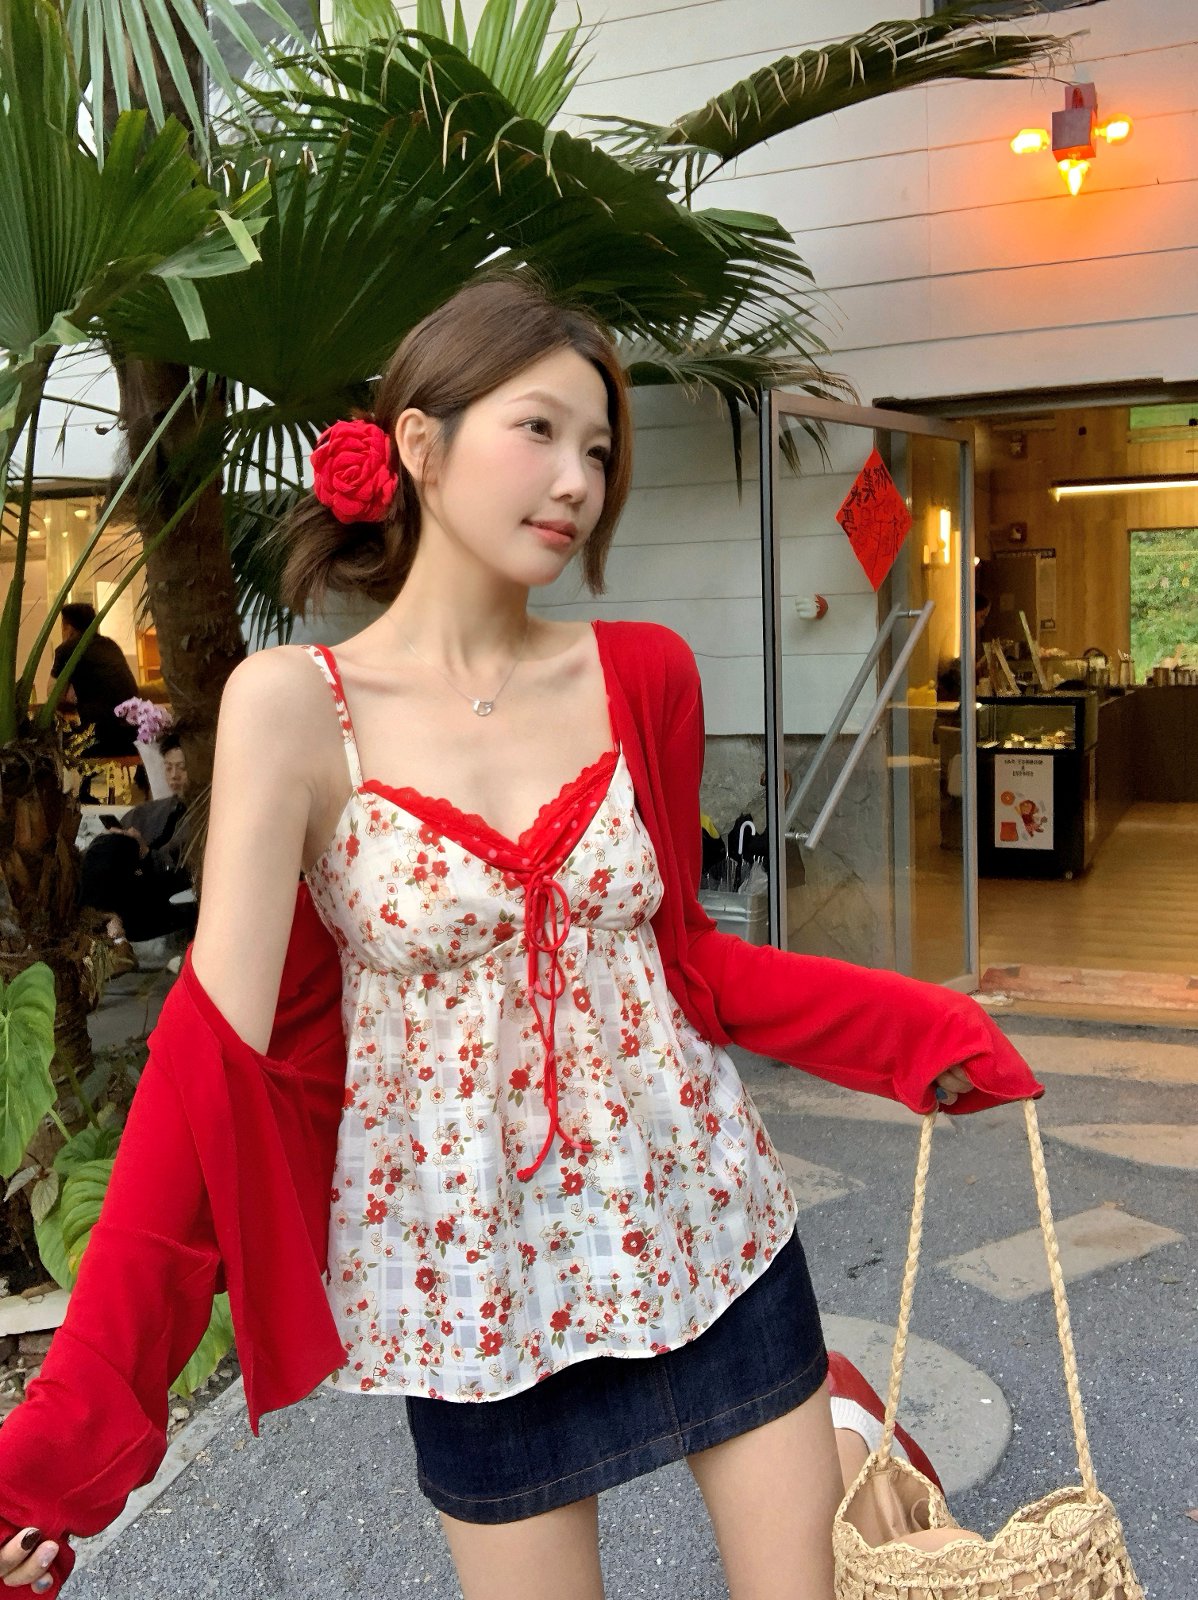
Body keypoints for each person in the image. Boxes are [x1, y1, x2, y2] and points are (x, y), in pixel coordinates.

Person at [0, 277, 1041, 1600]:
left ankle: (824, 1417)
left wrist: (914, 1028)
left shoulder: (643, 672)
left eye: (598, 448)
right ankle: (840, 1426)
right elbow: (209, 1065)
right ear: (419, 444)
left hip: (703, 1229)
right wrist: (63, 1451)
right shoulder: (293, 706)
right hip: (469, 1291)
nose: (577, 481)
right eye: (539, 430)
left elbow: (688, 968)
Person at [79, 734, 195, 947]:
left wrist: (144, 852)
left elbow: (183, 868)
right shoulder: (149, 811)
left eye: (181, 767)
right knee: (109, 844)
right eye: (168, 768)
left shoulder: (203, 817)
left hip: (161, 891)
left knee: (115, 846)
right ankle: (105, 921)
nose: (174, 775)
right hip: (131, 886)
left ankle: (108, 926)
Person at [50, 603, 139, 758]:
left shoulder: (67, 649)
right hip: (133, 733)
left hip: (99, 737)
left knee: (51, 743)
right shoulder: (110, 645)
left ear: (68, 627)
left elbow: (53, 695)